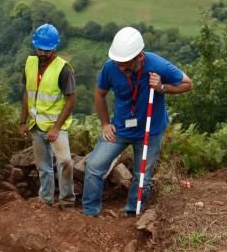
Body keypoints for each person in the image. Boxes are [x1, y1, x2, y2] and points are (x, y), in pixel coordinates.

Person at [82, 26, 192, 217]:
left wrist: (162, 87)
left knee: (142, 177)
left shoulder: (157, 64)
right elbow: (99, 94)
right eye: (118, 62)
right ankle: (90, 213)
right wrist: (105, 124)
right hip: (121, 128)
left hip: (150, 131)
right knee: (94, 165)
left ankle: (133, 214)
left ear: (140, 56)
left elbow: (187, 84)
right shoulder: (111, 67)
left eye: (125, 63)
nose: (120, 67)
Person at [18, 23, 76, 210]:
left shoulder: (64, 69)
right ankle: (46, 201)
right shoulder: (30, 63)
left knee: (65, 161)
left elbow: (70, 100)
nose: (42, 54)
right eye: (39, 49)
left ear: (55, 48)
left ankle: (67, 202)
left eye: (47, 50)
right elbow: (27, 92)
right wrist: (22, 121)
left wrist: (56, 128)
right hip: (36, 125)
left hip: (56, 126)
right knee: (43, 166)